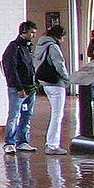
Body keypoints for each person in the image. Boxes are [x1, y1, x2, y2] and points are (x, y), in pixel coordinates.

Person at [1, 20, 40, 154]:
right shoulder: (14, 47)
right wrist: (18, 88)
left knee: (26, 115)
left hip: (30, 87)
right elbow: (11, 69)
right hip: (18, 89)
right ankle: (9, 142)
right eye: (32, 33)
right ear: (24, 32)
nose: (34, 35)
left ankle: (23, 141)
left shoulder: (28, 47)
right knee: (14, 115)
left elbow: (30, 67)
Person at [33, 23, 71, 154]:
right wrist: (67, 78)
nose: (63, 40)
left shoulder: (40, 45)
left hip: (45, 83)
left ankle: (52, 143)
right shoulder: (53, 46)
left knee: (56, 113)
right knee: (57, 114)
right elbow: (59, 64)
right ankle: (52, 144)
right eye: (62, 37)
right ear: (58, 36)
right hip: (55, 83)